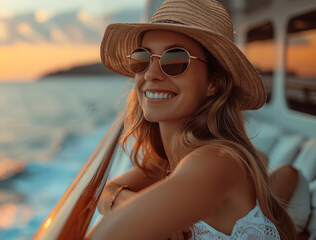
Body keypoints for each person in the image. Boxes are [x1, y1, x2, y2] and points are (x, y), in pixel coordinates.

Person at [85, 0, 297, 239]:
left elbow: (102, 236)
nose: (151, 74)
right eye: (142, 59)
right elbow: (107, 190)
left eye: (175, 60)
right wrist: (122, 199)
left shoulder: (215, 161)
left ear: (213, 83)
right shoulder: (169, 162)